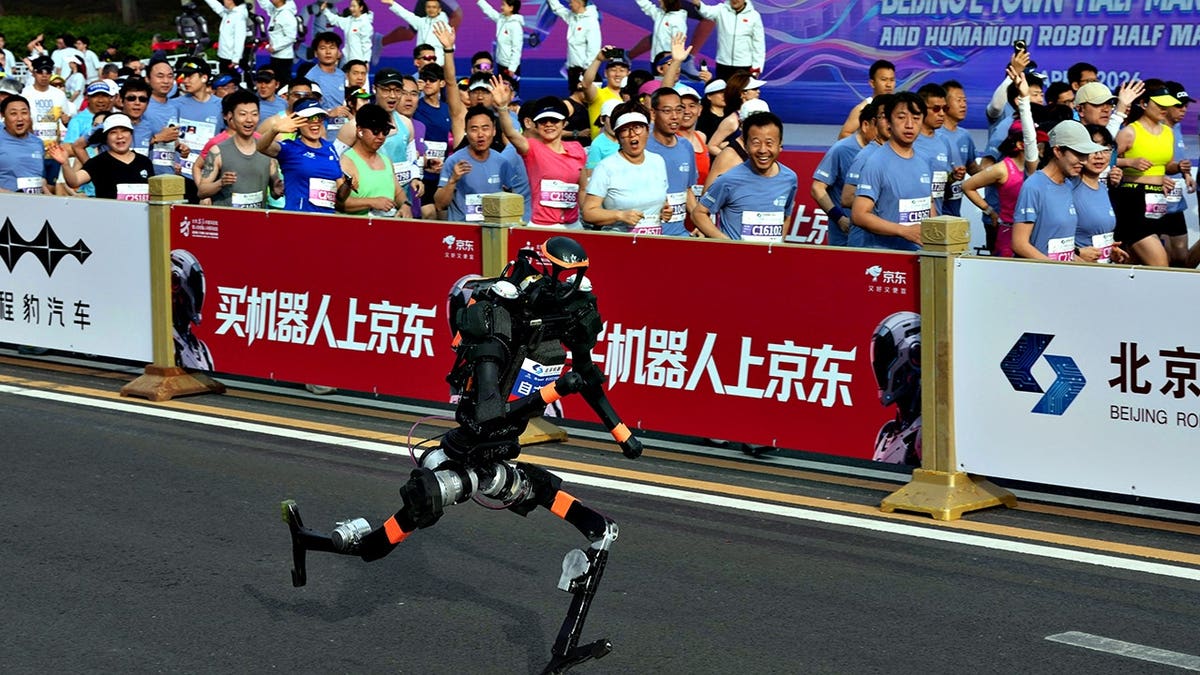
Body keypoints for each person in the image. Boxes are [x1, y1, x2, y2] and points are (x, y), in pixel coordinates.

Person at [692, 110, 796, 241]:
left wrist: (778, 245)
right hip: (736, 259)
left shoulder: (789, 178)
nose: (763, 150)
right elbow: (698, 213)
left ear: (780, 145)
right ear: (745, 146)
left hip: (769, 259)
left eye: (769, 143)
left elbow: (786, 215)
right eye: (756, 143)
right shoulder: (728, 179)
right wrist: (727, 243)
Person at [1011, 120, 1106, 261]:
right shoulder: (1034, 186)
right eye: (1079, 154)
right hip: (1039, 277)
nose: (1084, 161)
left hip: (1063, 276)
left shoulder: (1068, 185)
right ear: (1058, 151)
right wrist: (1054, 268)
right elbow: (1019, 244)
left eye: (1086, 155)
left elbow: (1060, 246)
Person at [492, 87, 587, 228]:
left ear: (564, 123)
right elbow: (511, 133)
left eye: (554, 120)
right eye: (543, 121)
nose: (548, 124)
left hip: (573, 225)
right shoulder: (532, 149)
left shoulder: (577, 148)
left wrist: (586, 212)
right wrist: (502, 108)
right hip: (542, 226)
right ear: (536, 125)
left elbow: (583, 188)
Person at [851, 91, 933, 251]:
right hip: (886, 257)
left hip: (922, 256)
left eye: (916, 118)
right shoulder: (875, 162)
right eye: (901, 118)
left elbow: (928, 204)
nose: (909, 125)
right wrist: (903, 231)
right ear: (888, 121)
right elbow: (859, 215)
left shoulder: (925, 159)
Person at [1112, 82, 1180, 267]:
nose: (1164, 109)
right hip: (1132, 199)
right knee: (1160, 264)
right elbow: (1102, 160)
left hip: (1158, 200)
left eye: (1167, 105)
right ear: (1143, 104)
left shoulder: (1168, 132)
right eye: (1159, 105)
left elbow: (1165, 166)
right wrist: (1129, 162)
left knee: (1134, 264)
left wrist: (1179, 168)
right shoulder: (1129, 133)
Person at [582, 101, 672, 234]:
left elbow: (662, 201)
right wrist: (620, 215)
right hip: (620, 243)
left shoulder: (658, 161)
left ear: (647, 131)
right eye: (624, 130)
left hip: (654, 241)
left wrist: (664, 211)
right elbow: (589, 213)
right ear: (618, 138)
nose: (632, 134)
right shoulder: (606, 167)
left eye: (637, 127)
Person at [257, 96, 346, 212]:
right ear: (296, 121)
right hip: (298, 220)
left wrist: (348, 184)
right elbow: (260, 147)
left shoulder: (330, 148)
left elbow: (341, 196)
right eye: (308, 118)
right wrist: (274, 130)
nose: (315, 122)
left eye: (319, 117)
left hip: (327, 220)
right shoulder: (290, 148)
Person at [435, 105, 522, 222]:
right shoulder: (454, 161)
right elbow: (440, 205)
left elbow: (512, 200)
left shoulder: (502, 162)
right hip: (463, 231)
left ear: (494, 130)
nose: (480, 134)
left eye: (485, 128)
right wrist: (453, 181)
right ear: (466, 131)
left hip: (493, 230)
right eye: (474, 129)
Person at [196, 89, 281, 208]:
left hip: (257, 222)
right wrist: (221, 183)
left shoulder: (267, 150)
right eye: (243, 114)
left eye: (254, 114)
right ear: (231, 116)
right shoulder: (218, 151)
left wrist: (278, 189)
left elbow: (275, 192)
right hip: (227, 221)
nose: (249, 119)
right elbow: (202, 191)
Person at [812, 101, 877, 245]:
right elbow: (817, 188)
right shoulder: (841, 149)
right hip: (844, 239)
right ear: (866, 125)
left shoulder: (883, 151)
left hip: (873, 237)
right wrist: (839, 218)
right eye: (880, 126)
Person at [51, 113, 155, 201]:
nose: (120, 136)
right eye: (113, 132)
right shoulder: (98, 162)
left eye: (124, 130)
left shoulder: (144, 161)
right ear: (106, 138)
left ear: (131, 134)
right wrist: (65, 164)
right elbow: (74, 181)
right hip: (109, 219)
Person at [644, 87, 697, 236]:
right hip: (649, 234)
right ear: (653, 114)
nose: (674, 116)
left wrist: (699, 220)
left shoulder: (686, 146)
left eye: (679, 110)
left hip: (680, 234)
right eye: (667, 111)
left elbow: (687, 190)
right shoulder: (642, 146)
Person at [1072, 124, 1128, 265]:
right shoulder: (1068, 188)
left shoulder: (1104, 188)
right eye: (1093, 149)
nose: (1099, 156)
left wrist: (1110, 250)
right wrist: (1076, 252)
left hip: (1103, 269)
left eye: (1105, 149)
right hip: (1076, 271)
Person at [339, 103, 408, 216]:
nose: (381, 136)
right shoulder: (346, 162)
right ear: (360, 131)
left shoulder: (386, 161)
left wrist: (405, 205)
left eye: (385, 131)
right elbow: (340, 203)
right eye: (375, 131)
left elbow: (398, 192)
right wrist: (372, 202)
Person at [1160, 81, 1193, 267]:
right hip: (1157, 201)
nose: (1184, 110)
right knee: (1163, 260)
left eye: (1186, 106)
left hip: (1176, 202)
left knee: (1181, 257)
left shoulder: (1177, 128)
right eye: (1178, 106)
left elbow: (1180, 160)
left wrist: (1187, 175)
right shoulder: (1154, 130)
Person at [300, 32, 353, 138]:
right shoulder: (310, 78)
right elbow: (303, 109)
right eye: (323, 48)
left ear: (338, 52)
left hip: (342, 132)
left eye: (332, 48)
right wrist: (328, 113)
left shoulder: (342, 75)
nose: (328, 52)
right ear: (316, 53)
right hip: (320, 133)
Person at [692, 0, 764, 80]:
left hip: (744, 66)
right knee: (723, 91)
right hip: (723, 64)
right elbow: (706, 11)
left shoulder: (754, 16)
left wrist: (757, 67)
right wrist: (698, 3)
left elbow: (759, 43)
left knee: (741, 92)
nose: (734, 0)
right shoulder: (721, 10)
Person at [0, 96, 50, 194]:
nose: (20, 118)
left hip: (35, 204)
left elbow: (39, 179)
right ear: (3, 115)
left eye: (24, 113)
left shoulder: (38, 143)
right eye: (13, 114)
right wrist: (12, 196)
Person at [836, 59, 895, 140]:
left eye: (892, 80)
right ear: (872, 83)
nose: (889, 84)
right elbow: (844, 135)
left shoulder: (899, 106)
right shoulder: (863, 108)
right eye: (884, 79)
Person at [580, 46, 628, 142]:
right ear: (606, 73)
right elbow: (585, 84)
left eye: (622, 70)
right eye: (613, 70)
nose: (617, 74)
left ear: (628, 73)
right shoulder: (598, 94)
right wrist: (598, 60)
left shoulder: (631, 98)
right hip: (602, 152)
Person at [383, 0, 452, 65]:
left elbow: (450, 48)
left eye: (434, 7)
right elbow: (407, 15)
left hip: (438, 62)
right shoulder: (421, 22)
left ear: (439, 9)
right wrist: (392, 3)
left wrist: (444, 64)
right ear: (425, 9)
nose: (431, 10)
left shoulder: (445, 26)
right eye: (428, 7)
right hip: (422, 61)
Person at [549, 0, 601, 74]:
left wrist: (587, 72)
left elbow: (594, 50)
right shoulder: (573, 17)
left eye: (571, 2)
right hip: (572, 70)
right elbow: (558, 9)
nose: (569, 4)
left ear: (579, 3)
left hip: (584, 71)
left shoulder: (591, 22)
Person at [476, 0, 523, 76]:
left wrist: (512, 68)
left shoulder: (515, 26)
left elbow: (517, 49)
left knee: (510, 88)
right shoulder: (502, 19)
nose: (501, 7)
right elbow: (490, 11)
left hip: (509, 67)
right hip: (500, 63)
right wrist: (480, 1)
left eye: (504, 5)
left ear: (511, 8)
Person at [259, 0, 300, 84]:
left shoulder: (287, 14)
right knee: (276, 82)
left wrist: (275, 47)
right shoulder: (276, 10)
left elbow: (291, 37)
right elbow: (265, 4)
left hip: (284, 57)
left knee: (283, 82)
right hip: (275, 56)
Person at [322, 0, 375, 64]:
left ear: (361, 8)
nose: (351, 8)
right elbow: (335, 20)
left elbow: (366, 45)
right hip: (347, 59)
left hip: (359, 61)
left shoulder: (365, 23)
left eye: (354, 6)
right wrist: (325, 10)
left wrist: (366, 62)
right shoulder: (349, 20)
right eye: (350, 6)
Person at [204, 0, 250, 73]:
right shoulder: (229, 13)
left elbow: (239, 39)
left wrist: (236, 59)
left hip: (231, 59)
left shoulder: (239, 16)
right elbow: (217, 7)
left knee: (233, 82)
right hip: (224, 56)